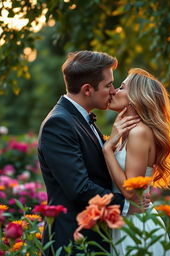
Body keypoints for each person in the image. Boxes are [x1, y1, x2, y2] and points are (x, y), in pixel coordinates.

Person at [37, 51, 142, 255]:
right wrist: (128, 205)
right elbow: (79, 188)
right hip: (74, 242)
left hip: (97, 236)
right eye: (108, 85)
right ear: (87, 89)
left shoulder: (80, 119)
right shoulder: (58, 124)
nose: (113, 91)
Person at [103, 68, 170, 255]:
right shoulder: (128, 132)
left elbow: (131, 191)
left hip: (136, 227)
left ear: (136, 96)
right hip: (126, 220)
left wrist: (107, 149)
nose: (114, 91)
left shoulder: (138, 132)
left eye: (122, 87)